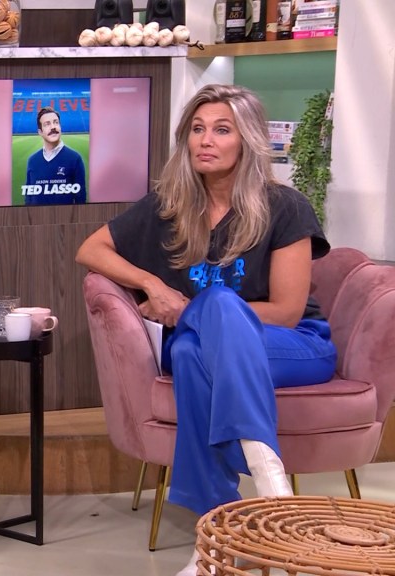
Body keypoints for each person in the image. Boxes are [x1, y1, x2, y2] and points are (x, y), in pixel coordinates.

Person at [75, 84, 336, 576]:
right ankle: (225, 530)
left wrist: (198, 309)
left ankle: (238, 517)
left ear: (247, 140)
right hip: (206, 349)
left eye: (221, 130)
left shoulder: (285, 206)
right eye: (197, 129)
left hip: (292, 345)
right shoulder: (168, 206)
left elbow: (285, 311)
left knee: (214, 306)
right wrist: (152, 284)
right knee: (190, 354)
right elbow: (90, 250)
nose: (205, 140)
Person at [23, 107, 87, 205]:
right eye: (47, 124)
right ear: (40, 132)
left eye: (56, 122)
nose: (53, 127)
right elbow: (28, 197)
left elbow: (80, 200)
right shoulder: (32, 161)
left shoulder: (75, 159)